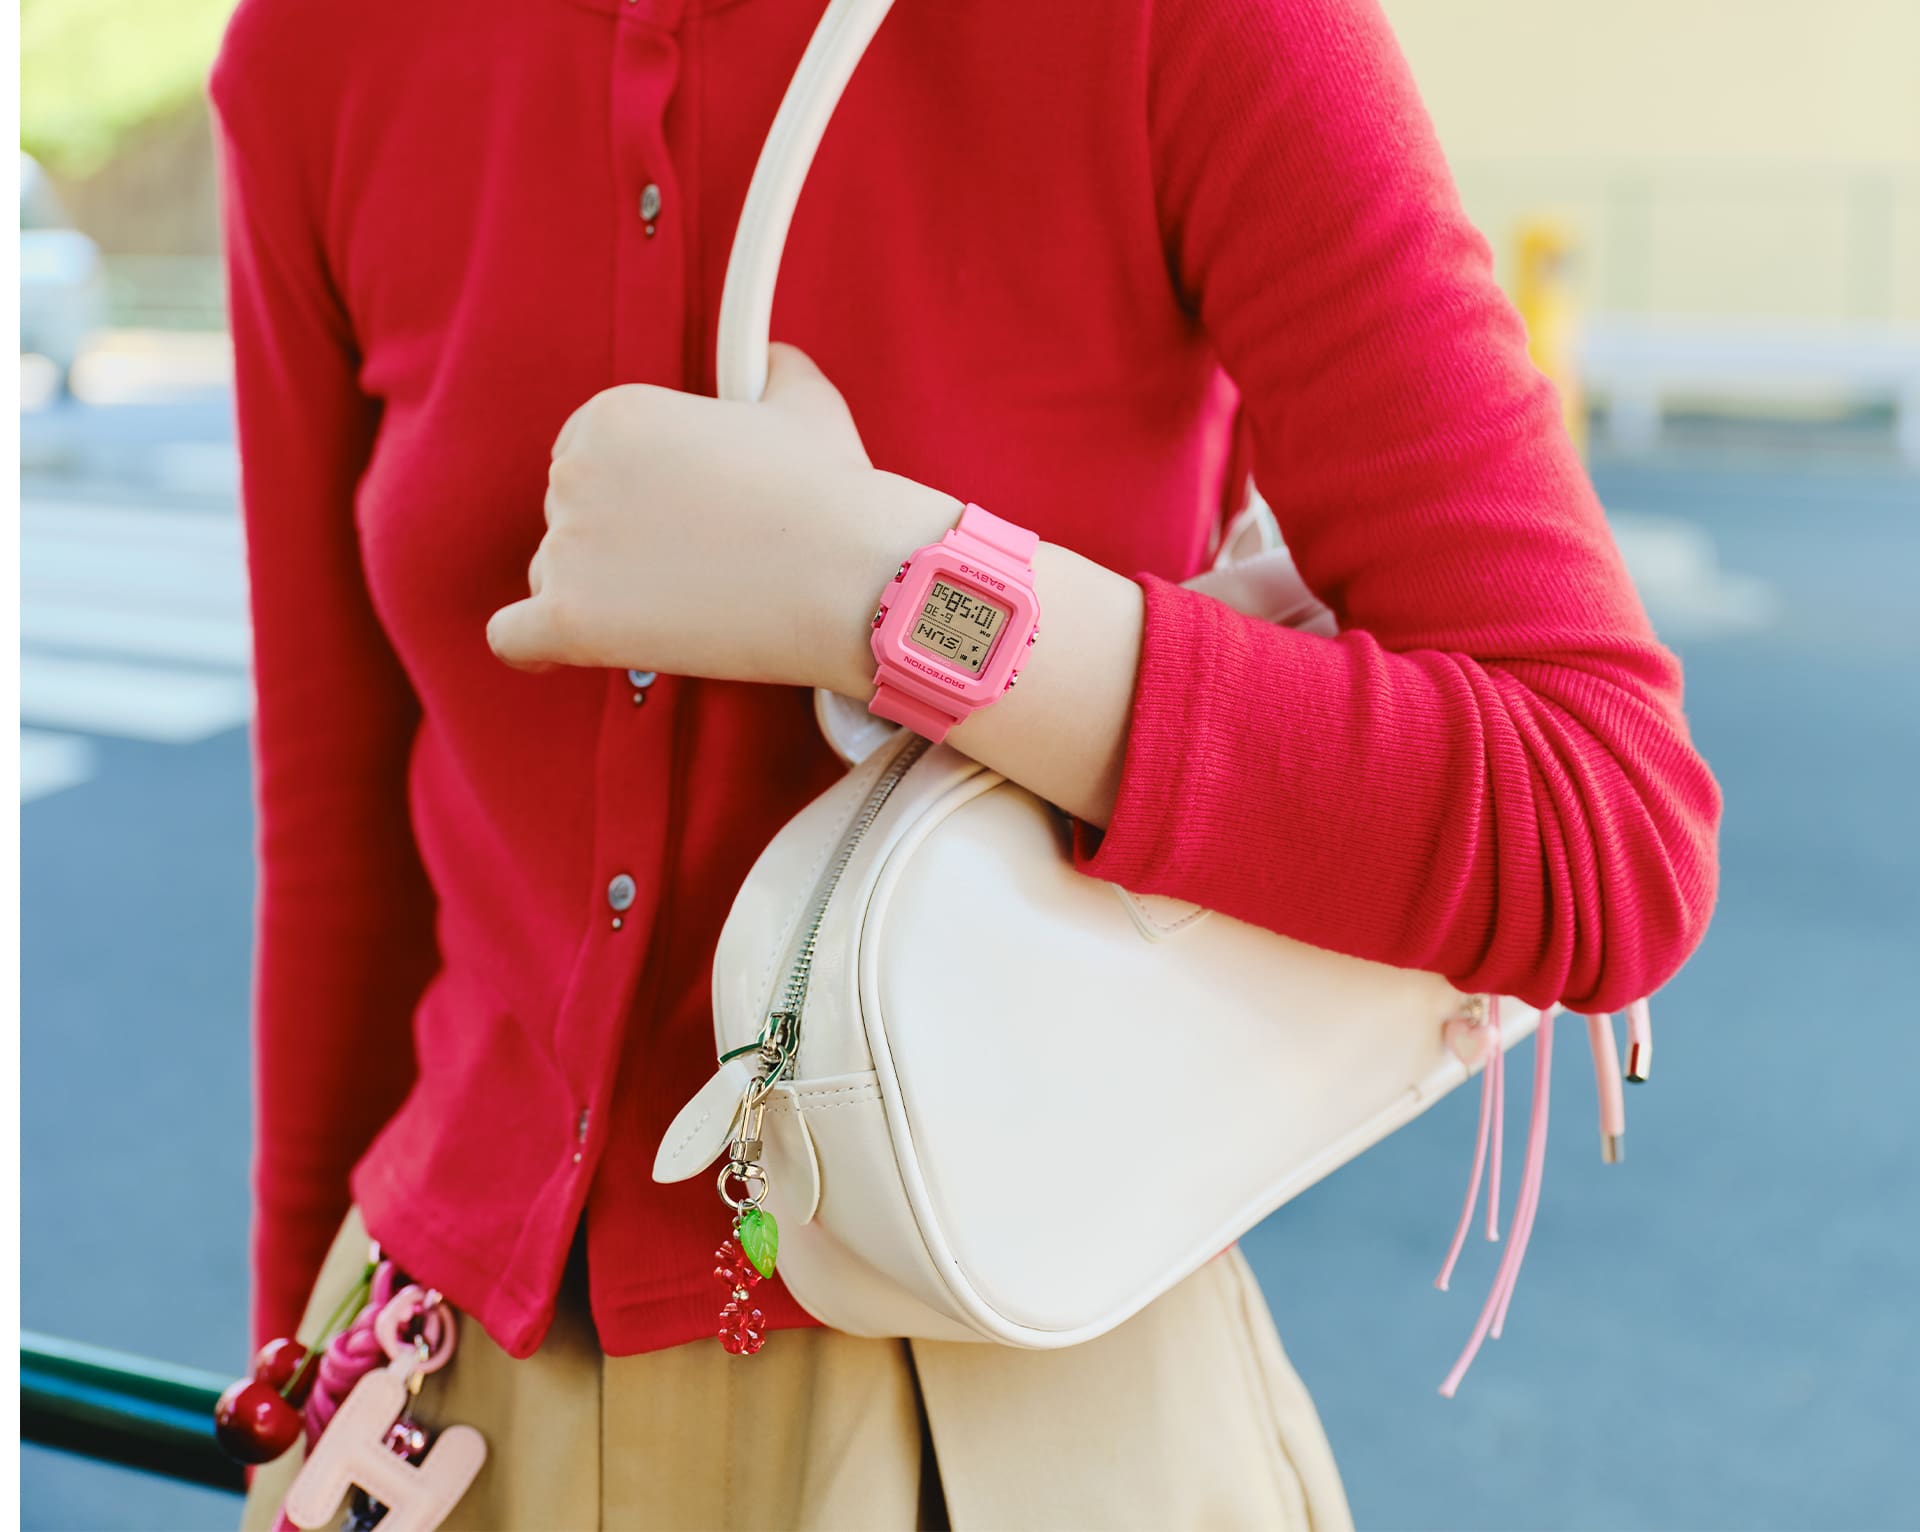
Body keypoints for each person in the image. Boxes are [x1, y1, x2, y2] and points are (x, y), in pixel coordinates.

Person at [211, 0, 1721, 1524]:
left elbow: (1601, 813)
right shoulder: (320, 49)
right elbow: (341, 844)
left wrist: (893, 593)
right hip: (444, 1405)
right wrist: (282, 1401)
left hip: (1003, 1396)